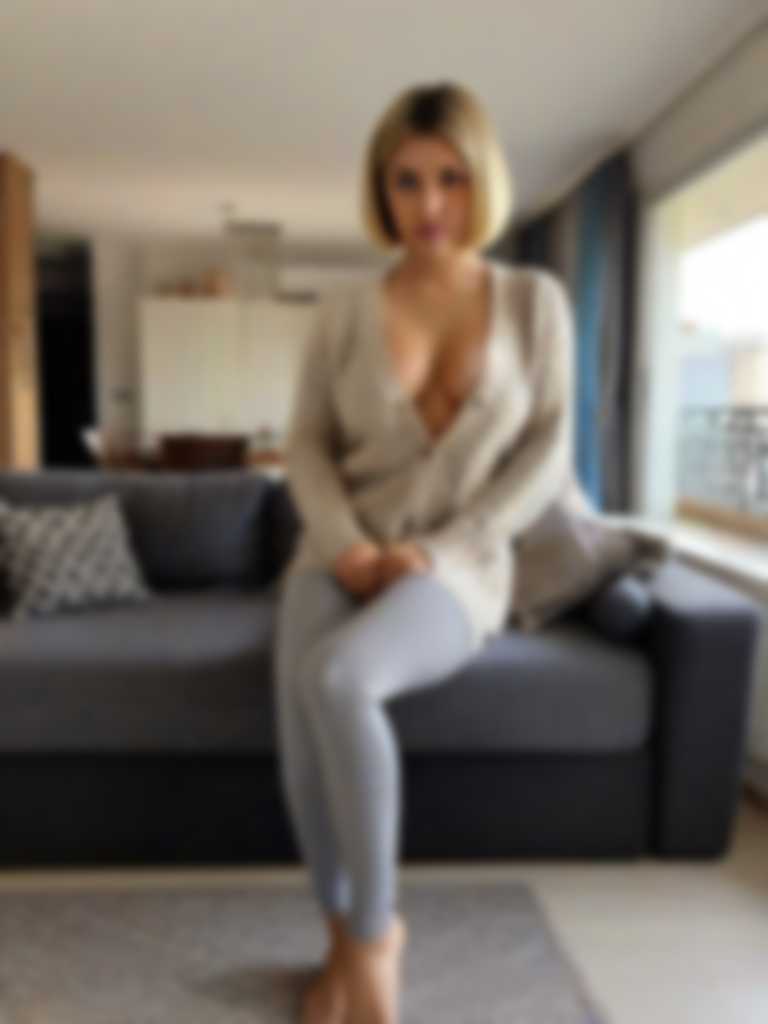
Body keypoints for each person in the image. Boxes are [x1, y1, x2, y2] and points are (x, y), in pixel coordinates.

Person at [272, 80, 575, 1024]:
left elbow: (548, 451)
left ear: (482, 180)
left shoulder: (534, 302)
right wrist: (349, 548)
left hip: (461, 569)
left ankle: (374, 946)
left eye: (451, 177)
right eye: (406, 181)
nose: (430, 204)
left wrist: (438, 552)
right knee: (299, 743)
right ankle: (338, 945)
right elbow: (306, 446)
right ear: (382, 190)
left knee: (338, 680)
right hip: (335, 554)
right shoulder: (343, 311)